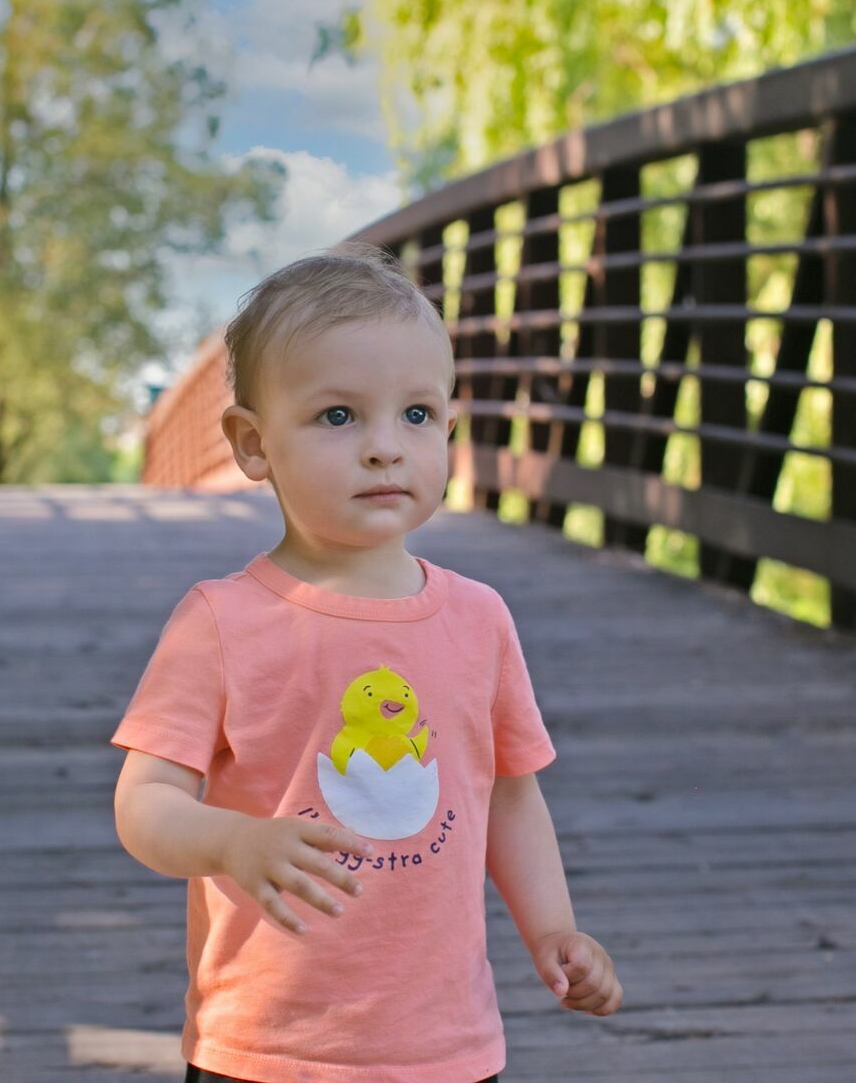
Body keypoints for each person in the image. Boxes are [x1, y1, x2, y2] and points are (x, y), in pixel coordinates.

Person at [110, 240, 623, 1082]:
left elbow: (509, 795)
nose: (386, 447)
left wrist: (555, 928)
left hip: (444, 1046)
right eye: (338, 416)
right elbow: (144, 804)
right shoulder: (221, 623)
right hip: (267, 1047)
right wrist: (233, 842)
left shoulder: (479, 618)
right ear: (252, 443)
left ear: (450, 427)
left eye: (416, 415)